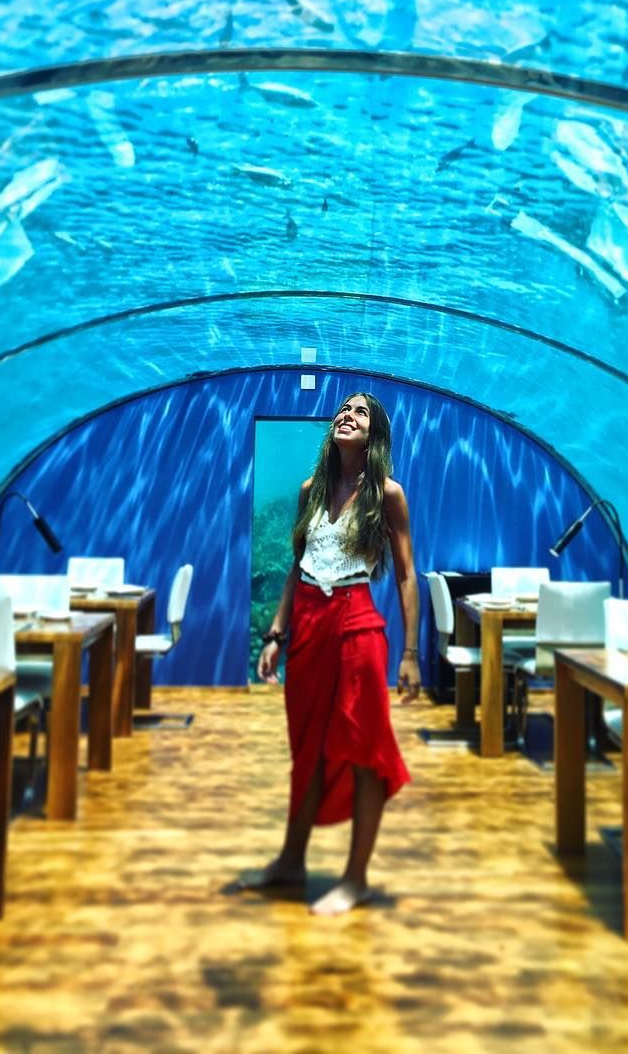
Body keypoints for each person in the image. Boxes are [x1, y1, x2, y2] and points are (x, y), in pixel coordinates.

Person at [242, 391, 421, 915]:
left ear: (374, 435)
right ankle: (291, 862)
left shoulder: (388, 494)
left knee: (365, 750)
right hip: (308, 626)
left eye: (360, 412)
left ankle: (356, 878)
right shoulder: (310, 491)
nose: (347, 415)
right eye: (343, 409)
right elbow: (296, 569)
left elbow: (407, 575)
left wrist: (410, 652)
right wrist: (276, 633)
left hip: (356, 621)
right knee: (308, 749)